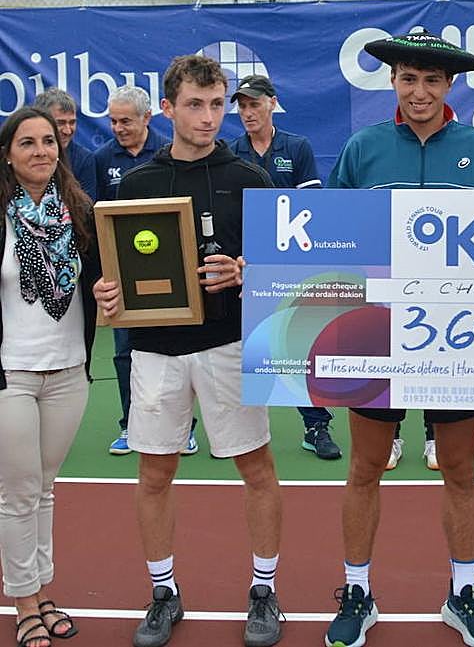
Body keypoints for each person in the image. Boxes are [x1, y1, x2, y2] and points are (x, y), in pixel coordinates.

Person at [325, 29, 474, 647]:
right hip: (377, 335)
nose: (419, 91)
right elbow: (325, 237)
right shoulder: (362, 149)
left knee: (460, 470)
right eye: (409, 78)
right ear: (393, 82)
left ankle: (463, 592)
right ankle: (358, 592)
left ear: (450, 86)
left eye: (432, 81)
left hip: (457, 340)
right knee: (364, 468)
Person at [93, 55, 283, 647]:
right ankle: (163, 593)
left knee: (256, 468)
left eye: (217, 104)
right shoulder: (138, 184)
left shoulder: (250, 177)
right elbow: (119, 270)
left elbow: (287, 271)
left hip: (228, 345)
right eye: (195, 105)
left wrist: (247, 271)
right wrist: (109, 292)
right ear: (168, 109)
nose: (208, 117)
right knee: (155, 471)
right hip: (155, 350)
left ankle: (263, 589)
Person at [0, 107, 99, 647]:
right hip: (10, 372)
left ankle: (42, 589)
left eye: (48, 140)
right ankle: (23, 603)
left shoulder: (76, 211)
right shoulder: (1, 215)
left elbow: (103, 281)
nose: (42, 150)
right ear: (8, 155)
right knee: (17, 494)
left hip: (68, 370)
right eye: (27, 143)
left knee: (44, 489)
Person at [230, 73, 341, 461]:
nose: (248, 112)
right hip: (244, 267)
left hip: (290, 264)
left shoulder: (297, 147)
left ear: (272, 103)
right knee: (242, 351)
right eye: (242, 105)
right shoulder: (229, 151)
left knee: (296, 347)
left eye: (254, 104)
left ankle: (316, 427)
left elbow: (311, 208)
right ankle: (238, 435)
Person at [93, 86, 182, 456]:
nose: (118, 127)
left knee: (174, 351)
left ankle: (182, 428)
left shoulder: (169, 153)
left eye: (126, 120)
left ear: (148, 118)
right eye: (113, 121)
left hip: (170, 271)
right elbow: (94, 215)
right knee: (124, 350)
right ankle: (130, 424)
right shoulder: (101, 159)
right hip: (121, 274)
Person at [33, 88, 97, 200]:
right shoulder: (22, 155)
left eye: (72, 122)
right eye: (60, 123)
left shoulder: (84, 159)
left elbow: (88, 210)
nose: (67, 131)